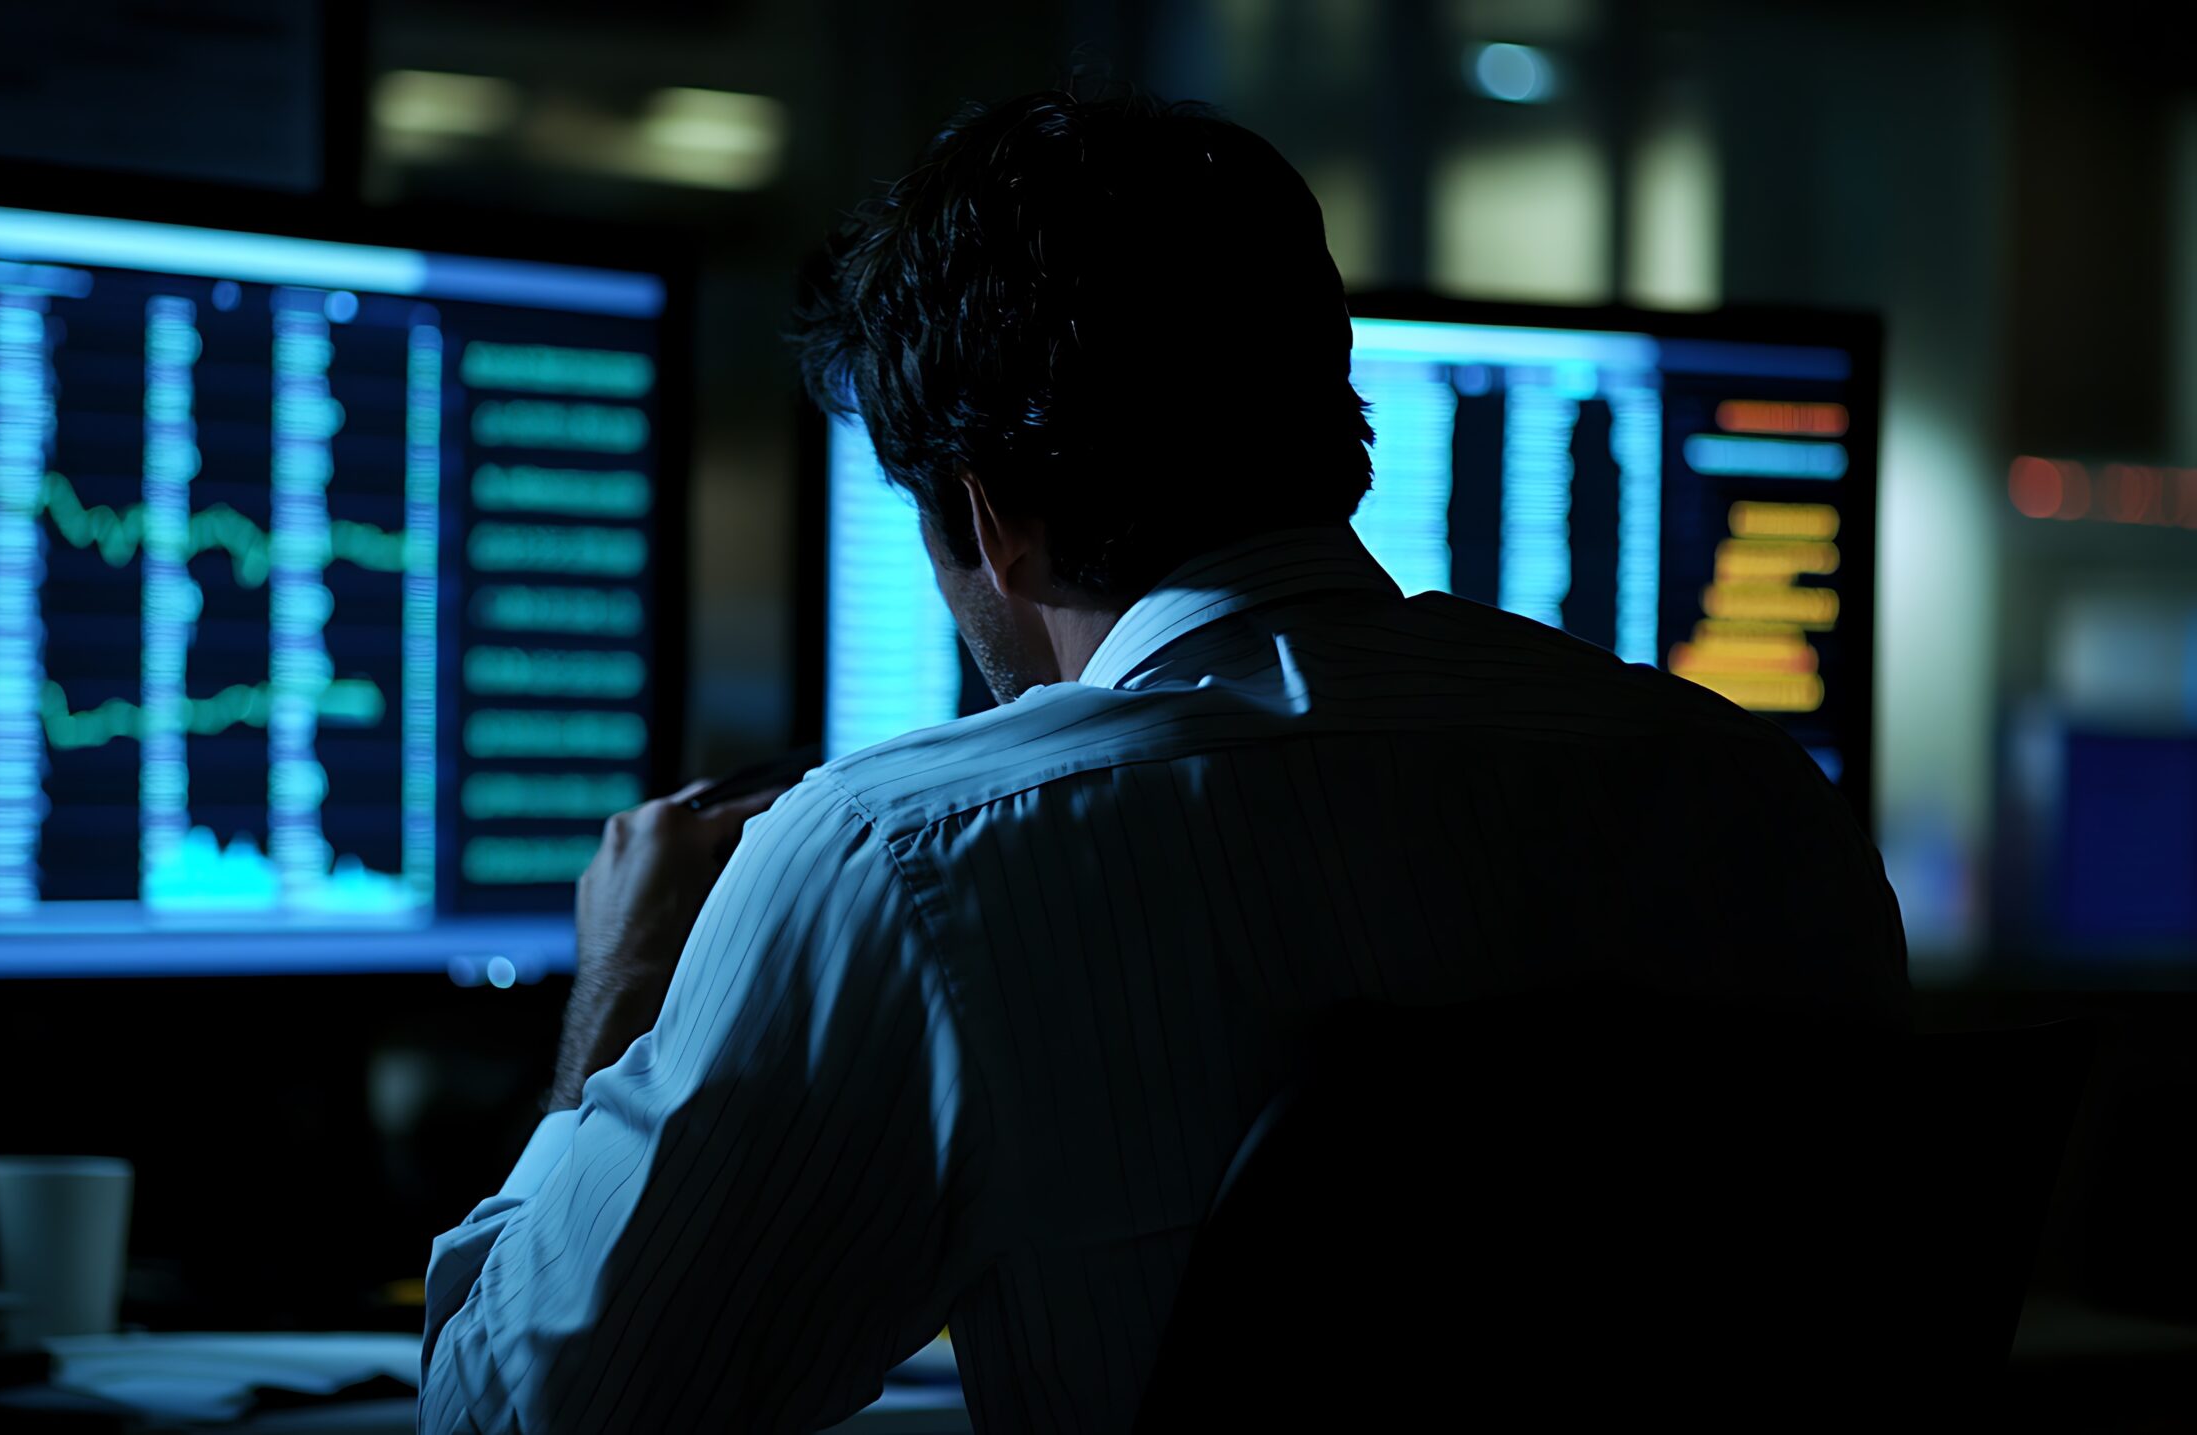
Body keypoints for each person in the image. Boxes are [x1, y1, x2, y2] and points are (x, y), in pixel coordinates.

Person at [419, 88, 1907, 1433]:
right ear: (1341, 425)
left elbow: (533, 1422)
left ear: (991, 518)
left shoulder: (905, 858)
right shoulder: (1756, 796)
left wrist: (625, 997)